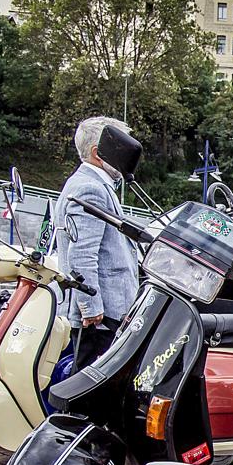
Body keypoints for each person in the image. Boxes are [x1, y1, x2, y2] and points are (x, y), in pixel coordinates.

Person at [53, 116, 140, 370]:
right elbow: (82, 253)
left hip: (102, 310)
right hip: (102, 313)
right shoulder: (90, 189)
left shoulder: (87, 184)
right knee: (92, 383)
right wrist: (91, 307)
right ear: (97, 153)